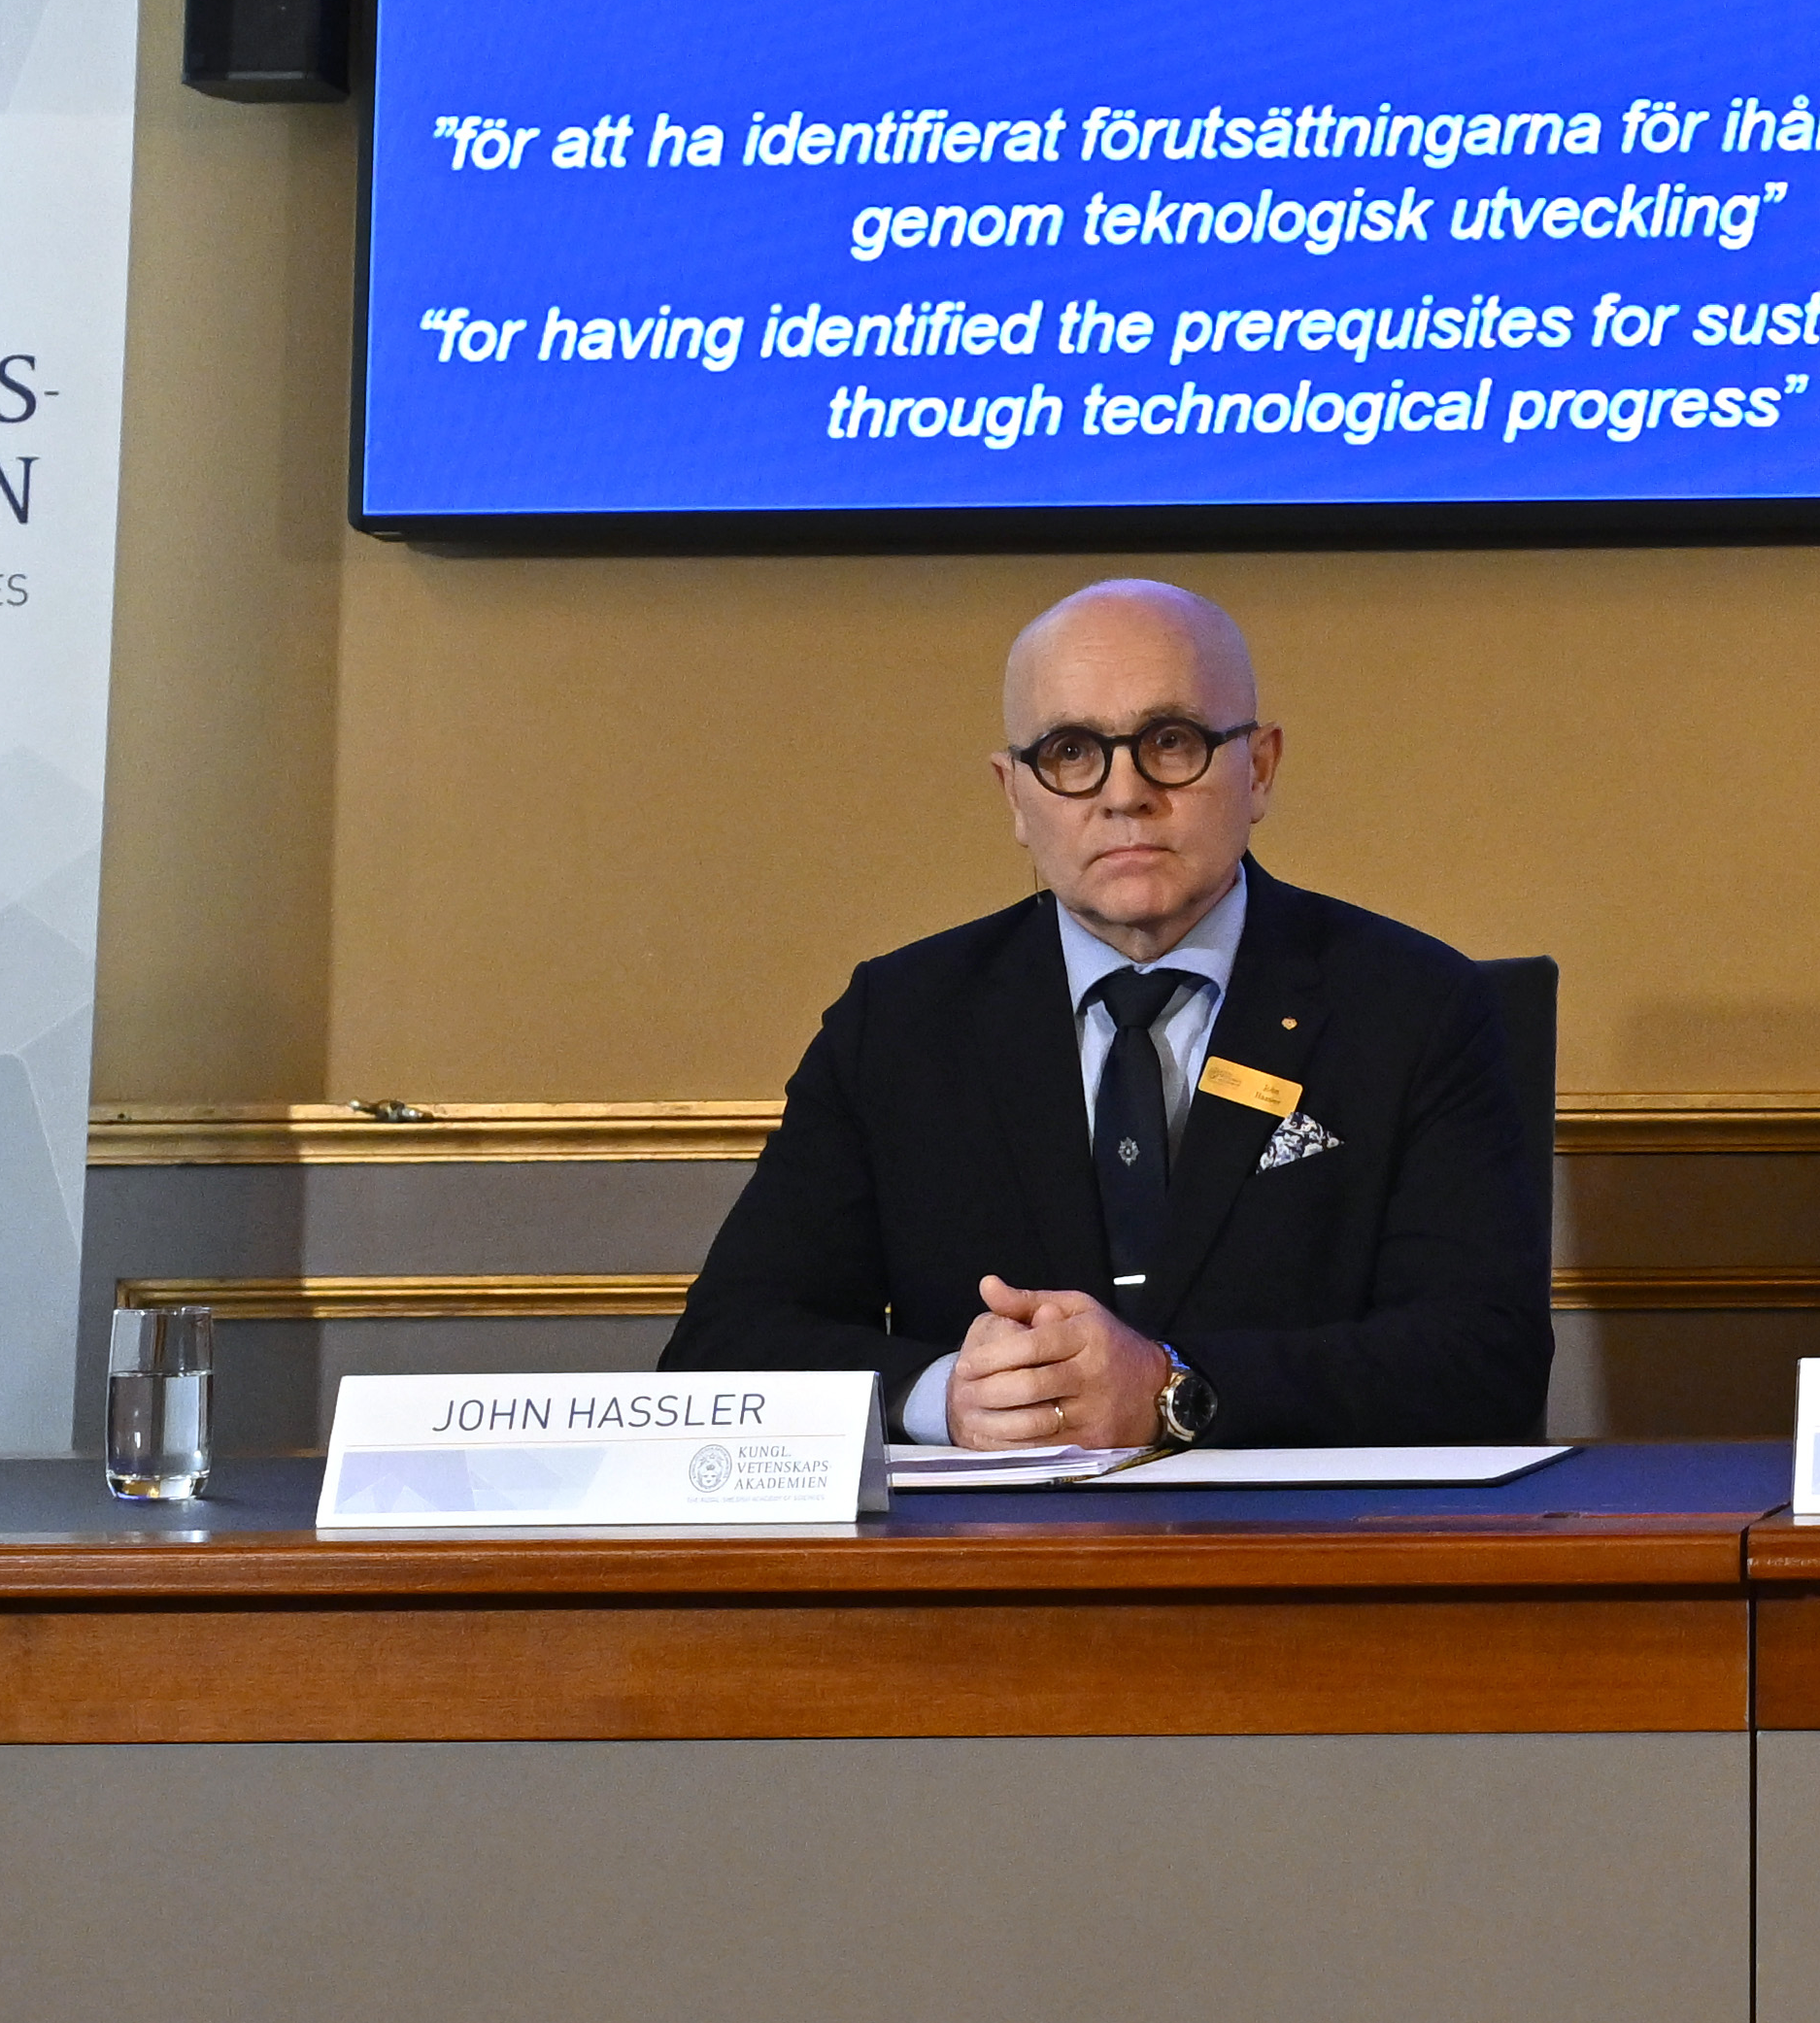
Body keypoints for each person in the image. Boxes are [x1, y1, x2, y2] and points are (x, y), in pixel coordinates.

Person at [661, 577, 1546, 1445]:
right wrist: (945, 1399)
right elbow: (724, 1351)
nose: (1125, 794)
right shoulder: (898, 1023)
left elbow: (1486, 1362)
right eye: (1073, 753)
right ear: (1014, 795)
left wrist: (1174, 1387)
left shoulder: (1416, 1007)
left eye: (1171, 740)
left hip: (1301, 1560)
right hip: (989, 1573)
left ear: (1261, 768)